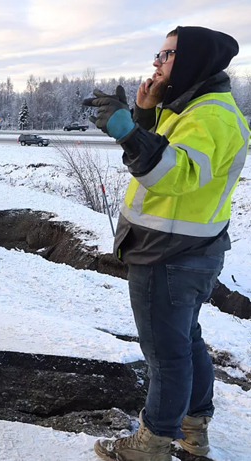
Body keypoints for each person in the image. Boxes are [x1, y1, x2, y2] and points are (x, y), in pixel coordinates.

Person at [83, 26, 248, 461]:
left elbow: (169, 174)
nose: (157, 61)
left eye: (168, 54)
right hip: (187, 249)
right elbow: (166, 149)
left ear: (194, 60)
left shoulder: (210, 116)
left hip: (169, 254)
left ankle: (151, 443)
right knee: (185, 342)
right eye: (158, 52)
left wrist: (125, 131)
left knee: (165, 354)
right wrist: (142, 113)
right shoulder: (194, 106)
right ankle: (193, 432)